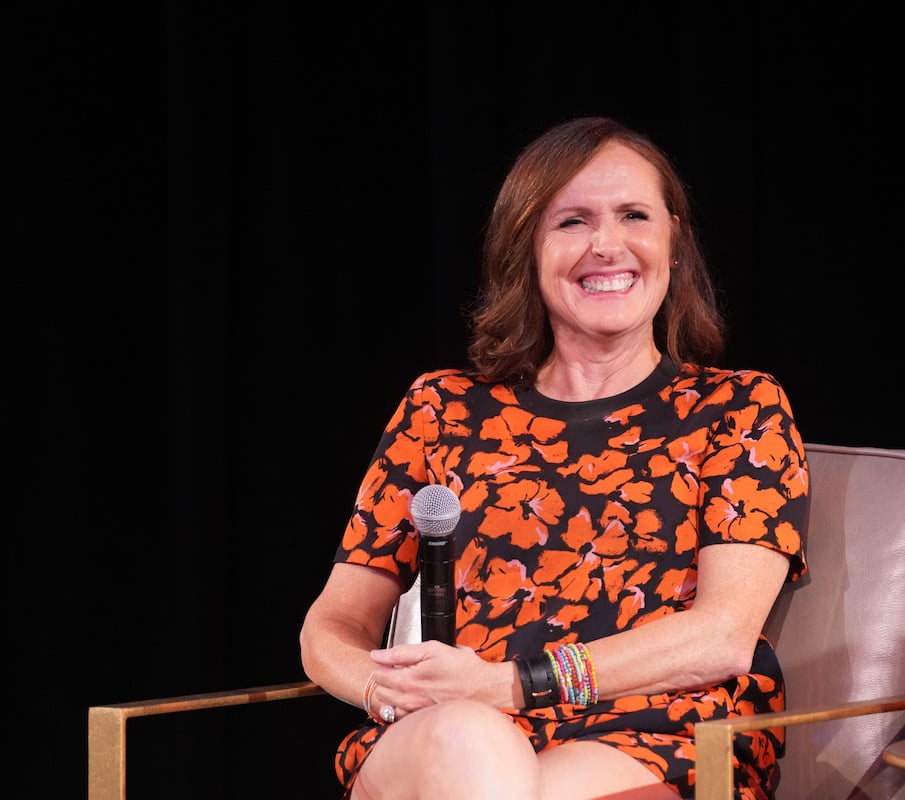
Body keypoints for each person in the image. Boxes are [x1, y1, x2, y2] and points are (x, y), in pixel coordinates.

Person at [299, 115, 811, 800]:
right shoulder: (442, 410)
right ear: (526, 250)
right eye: (571, 221)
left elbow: (719, 637)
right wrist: (391, 690)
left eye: (634, 215)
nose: (607, 244)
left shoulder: (739, 410)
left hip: (659, 743)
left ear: (673, 243)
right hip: (451, 731)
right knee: (471, 742)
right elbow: (333, 625)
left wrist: (508, 683)